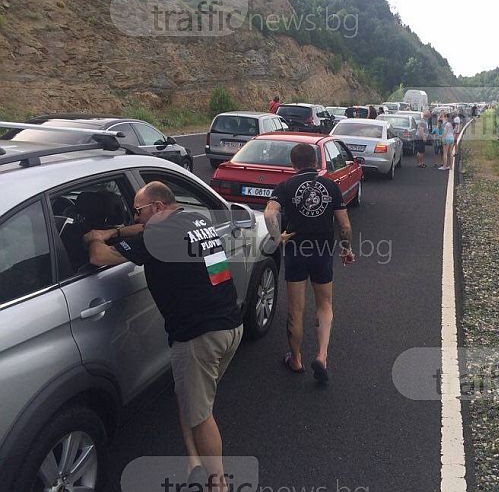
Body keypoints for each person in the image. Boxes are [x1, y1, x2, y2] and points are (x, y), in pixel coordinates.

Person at [83, 181, 242, 491]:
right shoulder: (196, 221)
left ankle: (218, 484)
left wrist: (94, 237)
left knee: (200, 416)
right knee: (189, 396)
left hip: (199, 336)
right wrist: (116, 231)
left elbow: (98, 258)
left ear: (157, 208)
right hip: (230, 325)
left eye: (138, 211)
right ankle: (193, 459)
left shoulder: (157, 235)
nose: (135, 217)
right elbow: (139, 231)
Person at [264, 144, 353, 384]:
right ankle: (322, 356)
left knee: (296, 310)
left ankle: (296, 359)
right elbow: (344, 225)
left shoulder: (284, 187)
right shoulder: (331, 186)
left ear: (292, 164)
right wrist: (347, 249)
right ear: (315, 161)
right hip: (322, 250)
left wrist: (276, 238)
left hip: (295, 250)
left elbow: (269, 214)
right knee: (324, 304)